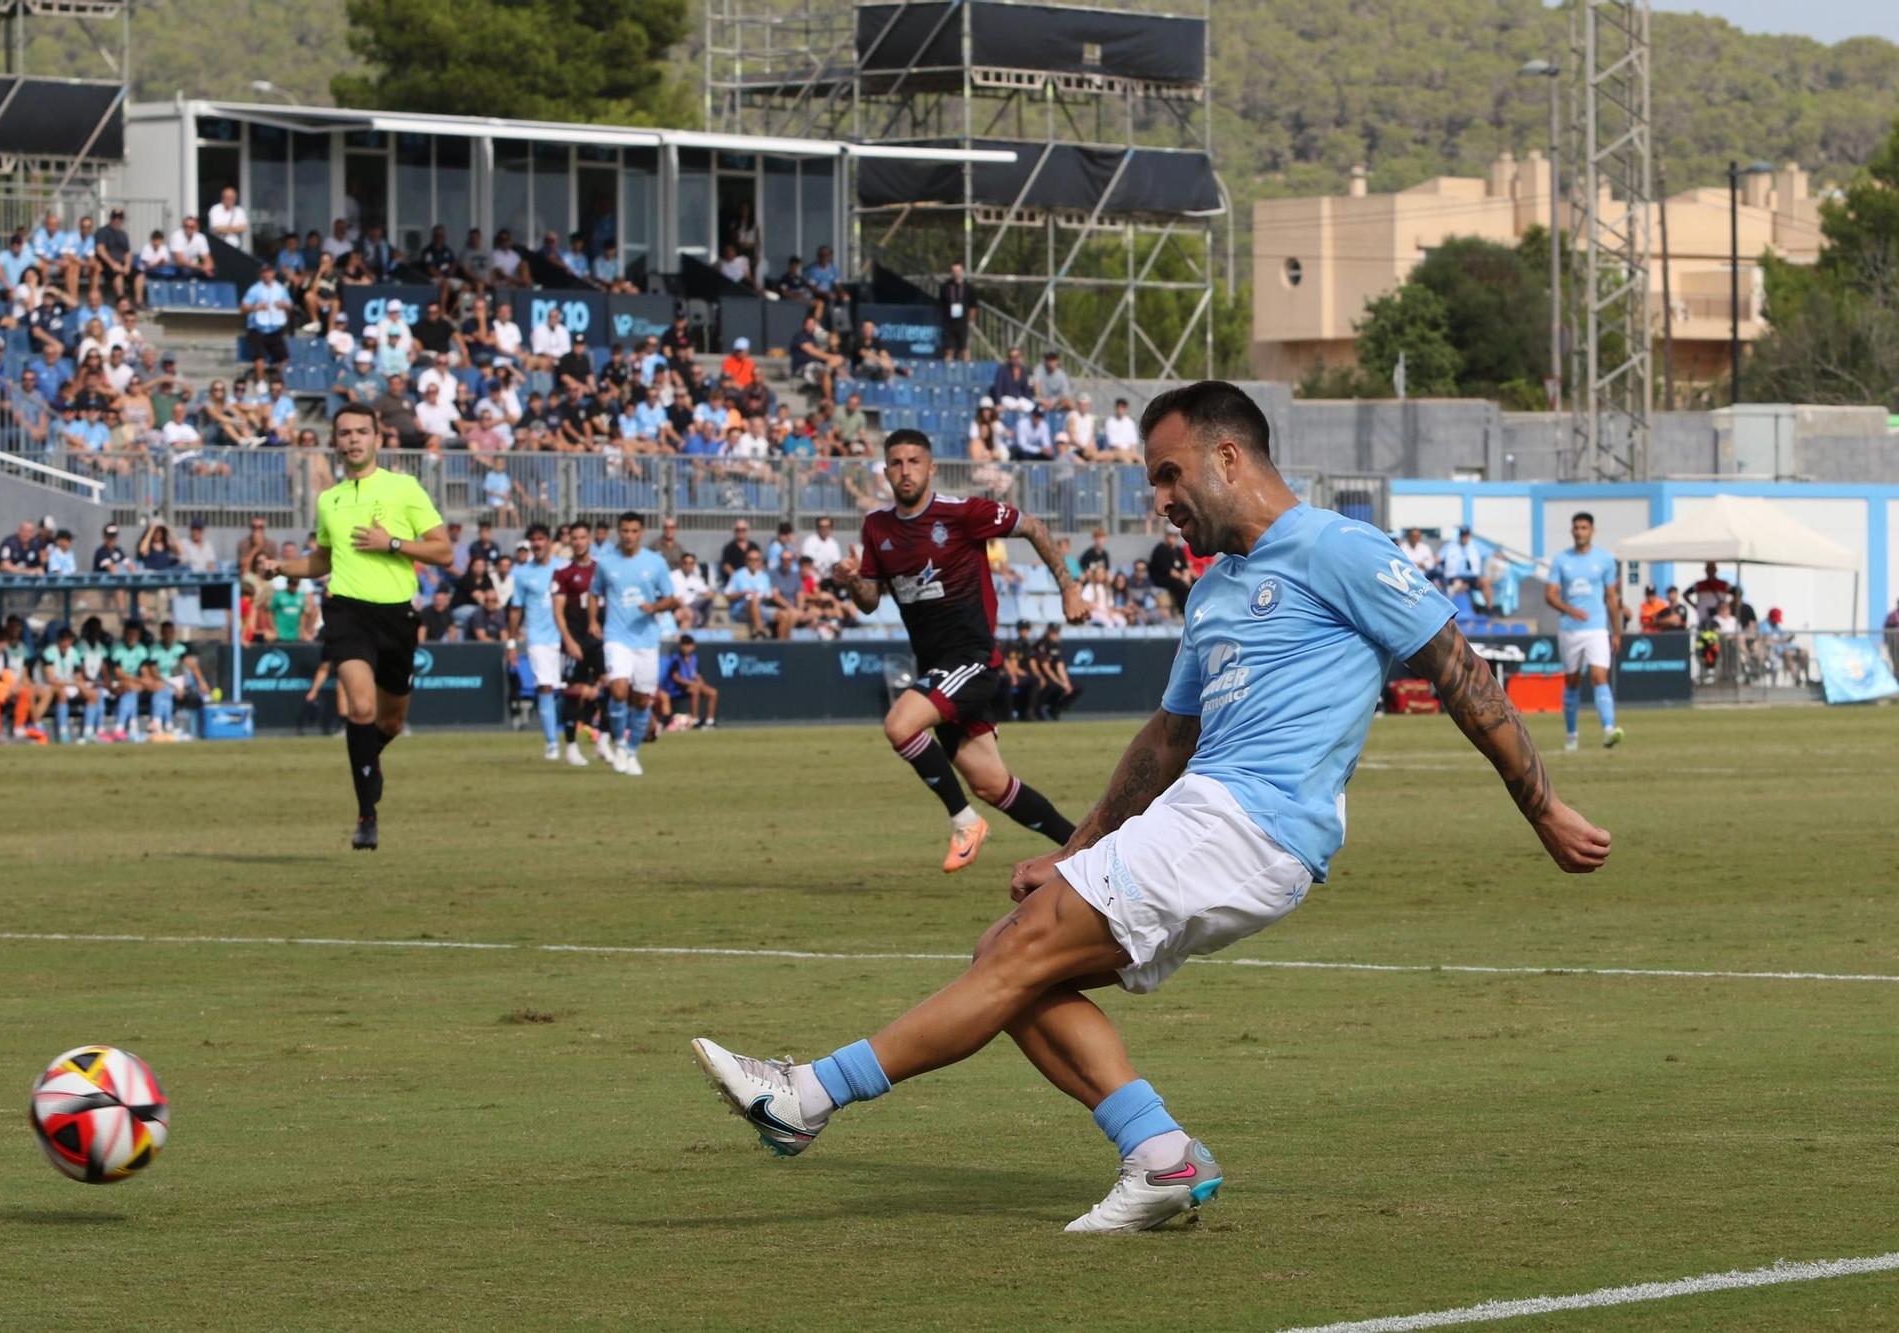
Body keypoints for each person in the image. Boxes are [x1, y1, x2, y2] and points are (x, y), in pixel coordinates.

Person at [689, 380, 1611, 1231]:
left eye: (1170, 476)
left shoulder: (1339, 547)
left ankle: (805, 1096)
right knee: (1006, 960)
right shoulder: (1213, 588)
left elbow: (1461, 672)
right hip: (1207, 813)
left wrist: (1545, 810)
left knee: (1015, 959)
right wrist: (1072, 848)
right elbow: (1165, 742)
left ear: (1229, 458)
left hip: (1251, 825)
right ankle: (1160, 1155)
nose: (1160, 501)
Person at [828, 429, 1086, 874]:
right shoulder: (877, 527)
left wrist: (1069, 587)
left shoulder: (963, 513)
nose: (904, 471)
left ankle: (965, 823)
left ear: (931, 468)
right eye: (895, 463)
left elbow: (1033, 527)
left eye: (913, 462)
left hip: (972, 657)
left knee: (900, 725)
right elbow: (870, 601)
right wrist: (852, 581)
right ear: (885, 470)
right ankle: (1084, 848)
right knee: (991, 784)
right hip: (936, 667)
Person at [259, 404, 454, 848]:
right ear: (335, 441)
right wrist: (280, 568)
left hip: (397, 616)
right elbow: (322, 560)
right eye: (344, 433)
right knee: (361, 708)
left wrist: (394, 544)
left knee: (391, 720)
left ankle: (369, 761)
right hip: (347, 613)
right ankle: (367, 816)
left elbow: (443, 553)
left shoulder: (404, 488)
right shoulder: (330, 499)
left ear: (377, 438)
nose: (353, 439)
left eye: (361, 431)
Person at [591, 511, 679, 775]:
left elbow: (672, 599)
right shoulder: (606, 563)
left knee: (642, 701)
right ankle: (618, 742)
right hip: (617, 637)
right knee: (618, 690)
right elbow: (594, 593)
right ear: (619, 532)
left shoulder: (655, 562)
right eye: (624, 531)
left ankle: (631, 751)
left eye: (633, 531)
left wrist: (654, 606)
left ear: (641, 532)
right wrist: (593, 621)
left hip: (646, 639)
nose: (628, 536)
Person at [1543, 512, 1624, 751]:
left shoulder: (1605, 560)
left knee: (1599, 676)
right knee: (1572, 681)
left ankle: (1609, 730)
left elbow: (1611, 597)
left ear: (1592, 531)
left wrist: (1616, 632)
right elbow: (1550, 595)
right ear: (1572, 531)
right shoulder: (1561, 560)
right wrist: (1569, 609)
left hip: (1597, 628)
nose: (1580, 532)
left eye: (1584, 527)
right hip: (1570, 629)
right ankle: (1571, 735)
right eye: (1576, 528)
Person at [506, 522, 570, 761]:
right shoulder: (522, 574)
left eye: (541, 538)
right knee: (544, 686)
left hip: (565, 638)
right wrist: (511, 643)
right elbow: (515, 609)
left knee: (573, 690)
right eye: (533, 539)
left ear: (550, 542)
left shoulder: (563, 568)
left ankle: (580, 737)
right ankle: (552, 742)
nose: (537, 543)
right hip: (539, 639)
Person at [549, 520, 606, 766]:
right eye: (575, 538)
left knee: (612, 685)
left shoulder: (602, 569)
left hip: (599, 639)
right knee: (573, 692)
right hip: (576, 640)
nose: (579, 542)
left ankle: (603, 740)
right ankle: (571, 747)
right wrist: (568, 641)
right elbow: (558, 611)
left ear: (590, 539)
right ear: (570, 542)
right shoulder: (563, 573)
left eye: (583, 537)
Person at [658, 634, 717, 729]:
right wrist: (692, 683)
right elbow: (676, 678)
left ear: (693, 646)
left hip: (691, 686)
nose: (687, 648)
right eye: (684, 645)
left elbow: (697, 675)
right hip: (675, 688)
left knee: (712, 692)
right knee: (695, 690)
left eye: (689, 645)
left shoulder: (694, 659)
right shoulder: (675, 659)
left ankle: (710, 721)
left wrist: (701, 683)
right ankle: (695, 720)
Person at [939, 261, 973, 362]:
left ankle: (966, 371)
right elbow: (942, 303)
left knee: (964, 348)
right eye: (954, 271)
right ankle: (948, 371)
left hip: (962, 322)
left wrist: (969, 319)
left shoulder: (968, 287)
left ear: (962, 271)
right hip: (949, 321)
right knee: (949, 349)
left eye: (958, 271)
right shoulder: (945, 286)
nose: (956, 273)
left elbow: (973, 305)